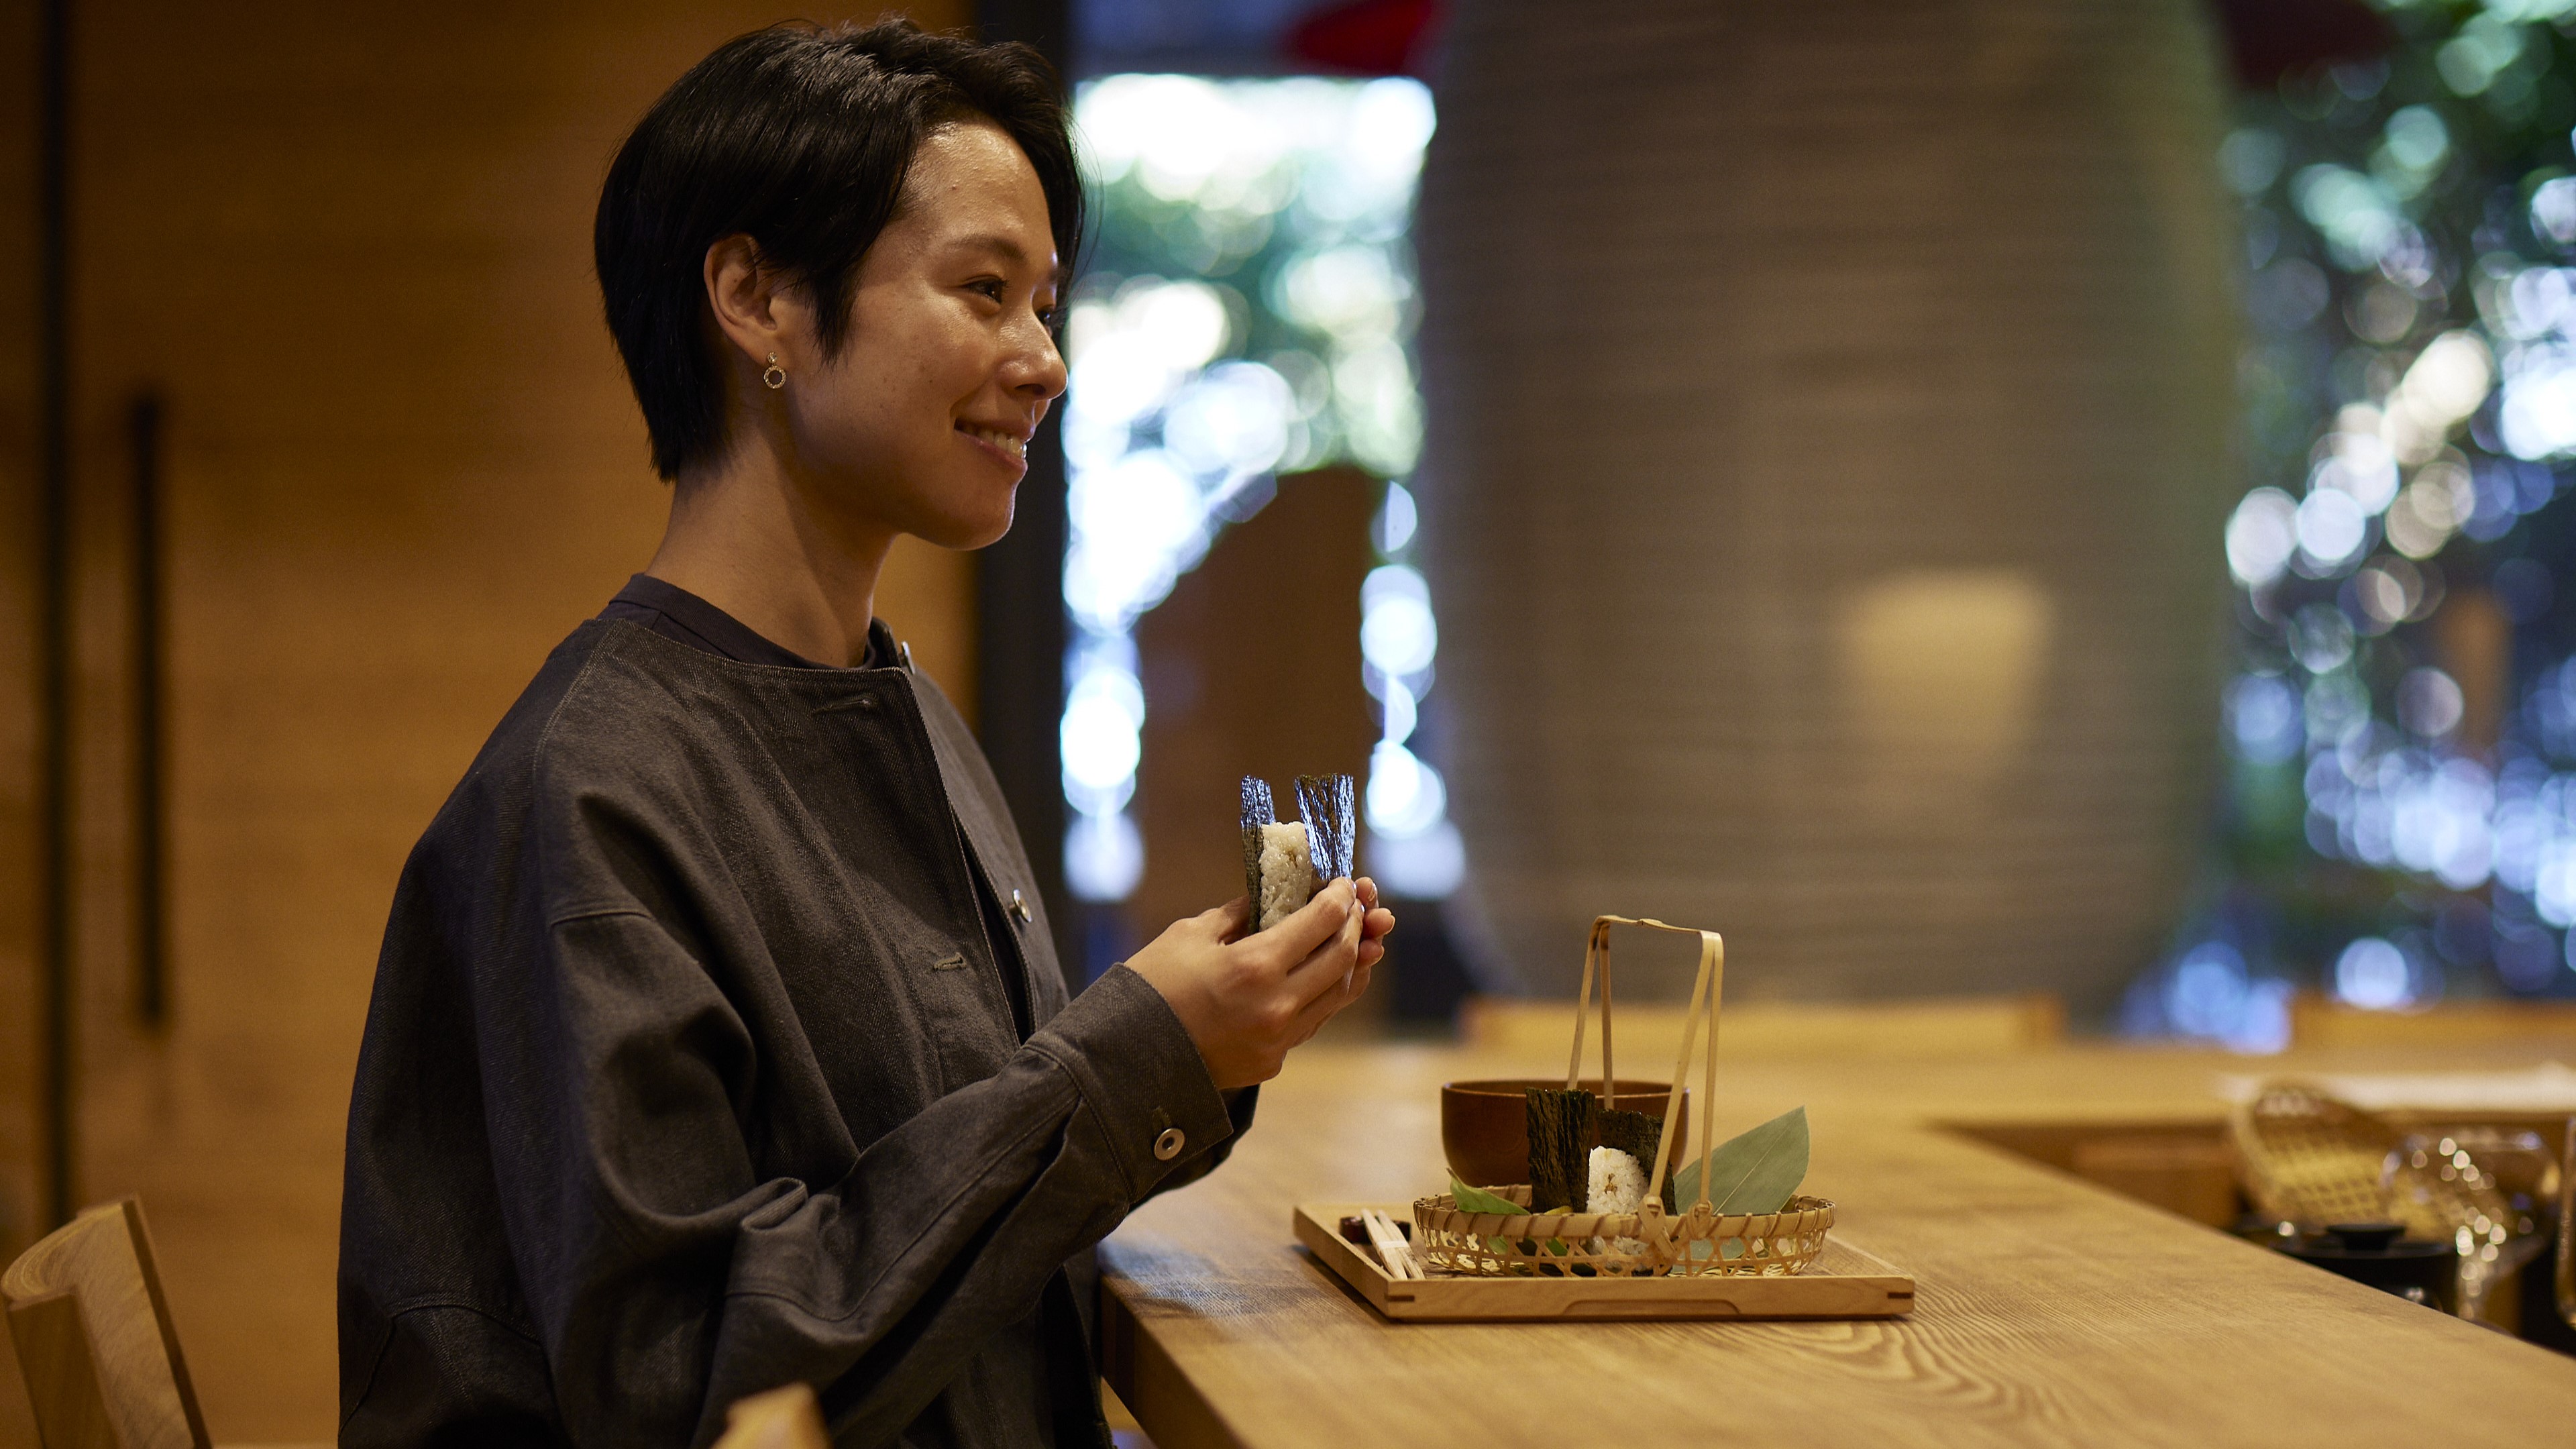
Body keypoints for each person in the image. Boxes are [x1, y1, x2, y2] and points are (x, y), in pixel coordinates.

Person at [335, 21, 1395, 1448]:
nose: (1044, 362)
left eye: (1045, 305)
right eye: (982, 292)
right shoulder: (591, 790)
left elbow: (925, 1195)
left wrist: (1205, 1039)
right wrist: (1134, 1058)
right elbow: (693, 1379)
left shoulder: (892, 702)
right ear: (757, 297)